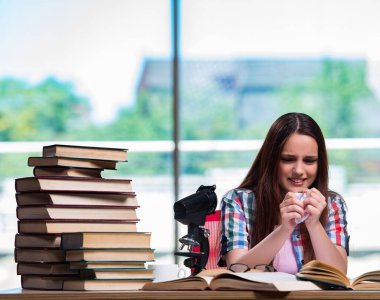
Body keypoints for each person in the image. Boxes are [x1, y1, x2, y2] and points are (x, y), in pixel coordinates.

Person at [218, 112, 349, 274]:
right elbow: (236, 270)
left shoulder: (332, 203)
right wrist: (284, 228)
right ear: (271, 160)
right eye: (288, 159)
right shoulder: (238, 201)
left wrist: (314, 225)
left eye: (309, 161)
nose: (299, 170)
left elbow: (339, 275)